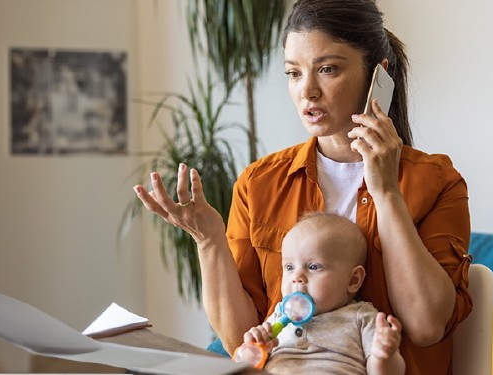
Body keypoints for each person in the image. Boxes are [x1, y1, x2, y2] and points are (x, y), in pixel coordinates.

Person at [132, 0, 472, 373]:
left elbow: (425, 327)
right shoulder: (259, 183)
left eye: (327, 69)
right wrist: (209, 239)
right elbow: (244, 342)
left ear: (379, 77)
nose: (307, 91)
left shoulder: (438, 181)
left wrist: (386, 192)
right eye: (294, 73)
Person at [241, 212, 404, 374]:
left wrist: (383, 356)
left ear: (353, 280)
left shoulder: (362, 317)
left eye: (313, 267)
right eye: (289, 267)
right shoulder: (278, 315)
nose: (296, 277)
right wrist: (254, 346)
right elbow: (245, 364)